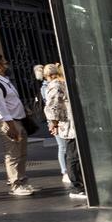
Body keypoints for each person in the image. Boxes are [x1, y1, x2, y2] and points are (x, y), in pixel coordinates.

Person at [0, 52, 32, 195]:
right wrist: (11, 127)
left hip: (17, 120)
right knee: (12, 154)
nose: (6, 65)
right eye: (4, 63)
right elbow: (0, 107)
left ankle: (22, 181)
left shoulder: (3, 79)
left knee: (21, 153)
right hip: (8, 123)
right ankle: (15, 185)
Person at [42, 63, 84, 199]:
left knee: (75, 154)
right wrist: (53, 123)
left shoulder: (62, 83)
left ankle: (80, 183)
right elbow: (53, 106)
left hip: (72, 124)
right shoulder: (56, 85)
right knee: (73, 155)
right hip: (69, 125)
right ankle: (77, 186)